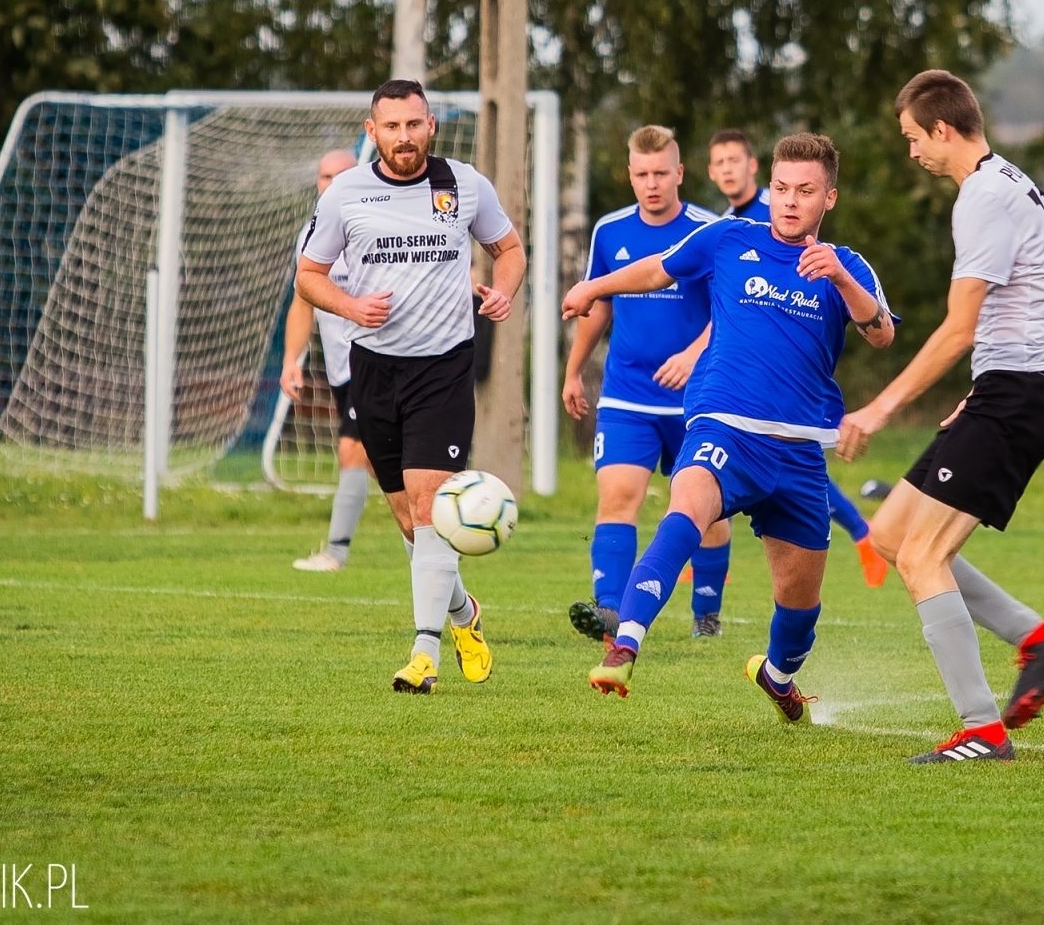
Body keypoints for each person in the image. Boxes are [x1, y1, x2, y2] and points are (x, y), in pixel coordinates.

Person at [563, 133, 895, 720]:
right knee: (686, 510)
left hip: (798, 452)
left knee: (799, 608)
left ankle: (778, 675)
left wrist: (841, 279)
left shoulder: (847, 264)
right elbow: (658, 270)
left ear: (829, 197)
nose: (789, 201)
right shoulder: (728, 238)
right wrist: (594, 285)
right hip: (723, 426)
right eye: (782, 188)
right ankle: (625, 643)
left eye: (806, 191)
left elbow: (882, 333)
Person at [837, 69, 1044, 764]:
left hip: (1016, 397)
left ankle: (982, 730)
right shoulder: (1004, 182)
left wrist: (880, 408)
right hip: (1008, 389)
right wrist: (986, 385)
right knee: (891, 535)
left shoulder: (982, 197)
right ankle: (1038, 642)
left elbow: (958, 329)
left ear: (943, 129)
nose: (912, 151)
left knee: (923, 556)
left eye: (914, 137)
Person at [296, 78, 526, 694]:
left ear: (431, 126)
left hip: (443, 368)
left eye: (414, 125)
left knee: (430, 511)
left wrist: (504, 291)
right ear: (372, 131)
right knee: (409, 521)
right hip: (373, 369)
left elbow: (509, 248)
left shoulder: (464, 184)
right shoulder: (346, 193)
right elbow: (309, 276)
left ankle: (424, 656)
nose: (404, 137)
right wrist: (349, 306)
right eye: (392, 127)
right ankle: (464, 613)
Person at [563, 126, 734, 642]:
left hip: (698, 397)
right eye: (642, 174)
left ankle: (706, 615)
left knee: (706, 510)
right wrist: (574, 370)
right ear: (630, 175)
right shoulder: (609, 231)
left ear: (679, 173)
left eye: (661, 173)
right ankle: (611, 612)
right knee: (618, 496)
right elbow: (598, 305)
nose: (652, 184)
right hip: (627, 394)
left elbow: (732, 310)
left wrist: (692, 354)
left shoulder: (709, 230)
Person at [707, 129, 891, 588]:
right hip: (726, 384)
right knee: (704, 477)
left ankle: (862, 534)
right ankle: (695, 567)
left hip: (788, 396)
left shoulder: (775, 220)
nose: (728, 170)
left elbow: (880, 331)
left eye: (734, 160)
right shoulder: (727, 227)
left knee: (790, 461)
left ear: (752, 168)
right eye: (720, 162)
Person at [284, 148, 373, 572]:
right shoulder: (311, 235)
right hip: (342, 371)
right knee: (390, 465)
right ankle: (450, 524)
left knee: (353, 450)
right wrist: (291, 359)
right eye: (326, 177)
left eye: (343, 175)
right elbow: (303, 302)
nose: (333, 184)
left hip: (377, 361)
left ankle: (335, 552)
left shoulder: (376, 225)